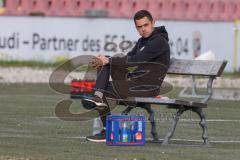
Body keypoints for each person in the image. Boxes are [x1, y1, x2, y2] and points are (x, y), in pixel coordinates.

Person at [84, 10, 170, 142]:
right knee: (105, 61)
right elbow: (128, 58)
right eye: (139, 27)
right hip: (133, 83)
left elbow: (137, 59)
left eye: (146, 25)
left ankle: (108, 129)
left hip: (146, 88)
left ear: (153, 22)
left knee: (104, 87)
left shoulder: (159, 42)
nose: (143, 29)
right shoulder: (142, 41)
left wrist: (110, 60)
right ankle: (98, 96)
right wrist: (107, 60)